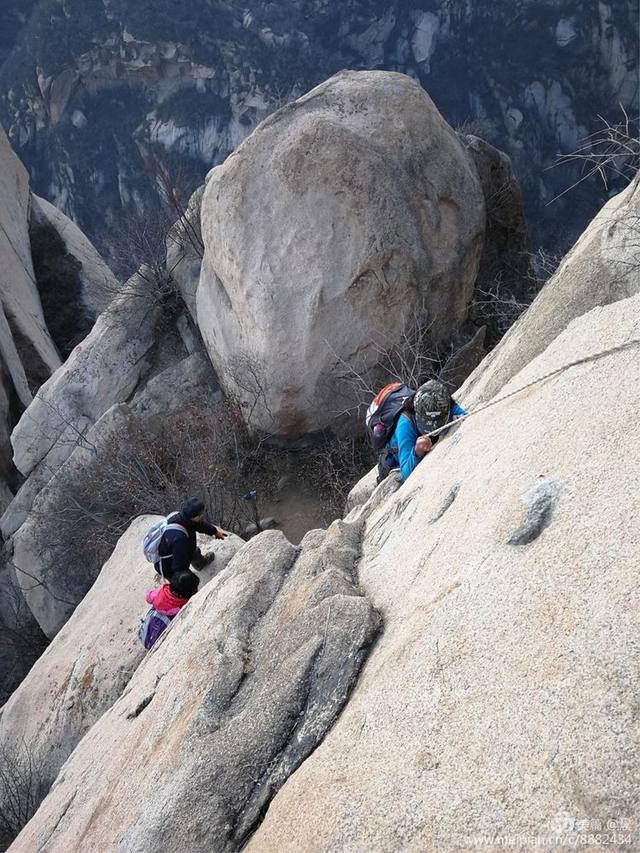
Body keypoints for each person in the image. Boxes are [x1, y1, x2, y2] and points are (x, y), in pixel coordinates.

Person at [386, 380, 466, 481]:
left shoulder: (441, 403)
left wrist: (460, 417)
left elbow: (462, 414)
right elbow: (405, 473)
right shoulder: (405, 425)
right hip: (396, 457)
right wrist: (417, 451)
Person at [155, 497, 226, 579]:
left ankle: (200, 564)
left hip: (185, 549)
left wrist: (215, 532)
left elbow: (200, 525)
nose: (202, 515)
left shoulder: (184, 518)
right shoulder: (179, 538)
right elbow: (178, 565)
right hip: (169, 564)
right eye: (200, 514)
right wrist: (184, 577)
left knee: (194, 551)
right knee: (183, 580)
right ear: (194, 516)